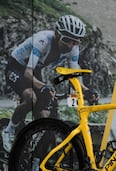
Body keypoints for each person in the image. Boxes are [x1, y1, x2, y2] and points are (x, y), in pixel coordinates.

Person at [2, 15, 97, 152]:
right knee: (31, 98)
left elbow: (74, 74)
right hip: (17, 67)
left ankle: (36, 154)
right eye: (66, 40)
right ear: (57, 34)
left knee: (45, 116)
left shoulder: (73, 49)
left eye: (75, 42)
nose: (70, 45)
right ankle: (8, 131)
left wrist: (85, 90)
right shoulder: (42, 40)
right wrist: (43, 87)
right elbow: (28, 74)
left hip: (35, 69)